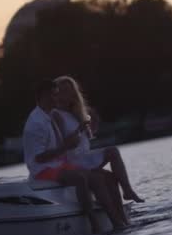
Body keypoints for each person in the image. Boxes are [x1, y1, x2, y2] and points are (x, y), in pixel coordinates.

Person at [22, 79, 126, 232]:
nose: (57, 98)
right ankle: (94, 223)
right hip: (42, 169)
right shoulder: (35, 123)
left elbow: (61, 146)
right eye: (54, 95)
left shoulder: (49, 115)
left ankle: (117, 222)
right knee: (80, 177)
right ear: (44, 96)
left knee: (98, 177)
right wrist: (65, 146)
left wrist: (77, 133)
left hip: (57, 164)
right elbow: (39, 158)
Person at [51, 75, 144, 203]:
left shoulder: (74, 112)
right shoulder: (56, 114)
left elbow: (85, 139)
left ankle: (122, 215)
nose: (70, 94)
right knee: (113, 151)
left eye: (71, 90)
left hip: (84, 156)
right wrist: (80, 129)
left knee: (111, 177)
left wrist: (90, 128)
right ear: (57, 94)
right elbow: (62, 142)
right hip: (72, 160)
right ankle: (127, 191)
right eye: (65, 90)